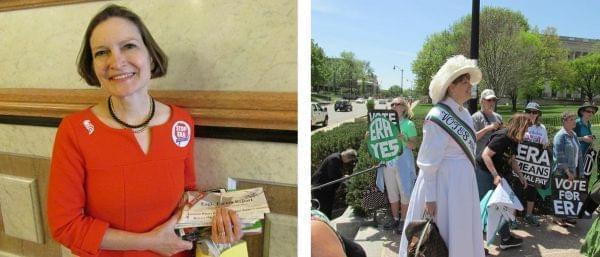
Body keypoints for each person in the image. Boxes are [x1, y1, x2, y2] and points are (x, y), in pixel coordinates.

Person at [47, 5, 242, 257]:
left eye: (129, 46)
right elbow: (66, 226)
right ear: (93, 65)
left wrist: (217, 225)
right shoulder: (75, 131)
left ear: (150, 56)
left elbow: (186, 199)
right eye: (102, 52)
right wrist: (149, 241)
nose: (116, 61)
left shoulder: (180, 122)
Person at [398, 55, 485, 257]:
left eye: (468, 82)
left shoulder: (463, 113)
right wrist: (430, 197)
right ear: (450, 87)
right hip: (444, 188)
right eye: (463, 82)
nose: (468, 86)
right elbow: (429, 162)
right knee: (439, 238)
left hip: (461, 188)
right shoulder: (437, 116)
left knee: (461, 236)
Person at [477, 113, 531, 250]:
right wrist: (495, 175)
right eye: (525, 129)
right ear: (518, 126)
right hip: (485, 171)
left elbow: (512, 159)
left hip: (500, 172)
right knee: (482, 206)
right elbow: (485, 155)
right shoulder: (502, 136)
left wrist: (521, 176)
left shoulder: (514, 139)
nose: (526, 133)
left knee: (502, 204)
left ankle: (506, 238)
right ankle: (474, 241)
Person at [377, 97, 418, 231]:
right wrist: (371, 137)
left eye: (397, 104)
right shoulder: (385, 124)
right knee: (392, 194)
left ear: (404, 107)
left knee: (405, 192)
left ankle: (404, 221)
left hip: (403, 163)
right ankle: (395, 219)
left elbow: (413, 145)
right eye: (392, 103)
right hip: (388, 163)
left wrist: (404, 139)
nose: (394, 106)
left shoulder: (408, 124)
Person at [518, 102, 549, 227]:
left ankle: (529, 215)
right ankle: (514, 217)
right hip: (520, 164)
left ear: (538, 114)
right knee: (517, 188)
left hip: (534, 166)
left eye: (534, 112)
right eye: (529, 111)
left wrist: (545, 146)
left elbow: (545, 144)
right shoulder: (520, 125)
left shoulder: (542, 128)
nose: (531, 114)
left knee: (532, 189)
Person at [552, 111, 583, 227]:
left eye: (574, 119)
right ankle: (557, 217)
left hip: (573, 169)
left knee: (569, 193)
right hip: (562, 170)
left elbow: (578, 153)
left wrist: (580, 170)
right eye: (571, 120)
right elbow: (559, 156)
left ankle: (568, 216)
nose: (574, 121)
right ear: (564, 121)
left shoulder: (573, 134)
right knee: (560, 194)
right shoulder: (560, 136)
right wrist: (567, 172)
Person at [311, 149, 358, 218]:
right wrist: (343, 177)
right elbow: (333, 175)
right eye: (350, 160)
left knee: (327, 208)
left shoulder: (337, 158)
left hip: (326, 188)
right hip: (321, 188)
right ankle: (324, 225)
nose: (348, 162)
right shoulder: (334, 159)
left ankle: (326, 223)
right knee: (323, 209)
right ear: (347, 157)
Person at [472, 89, 503, 157]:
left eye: (493, 100)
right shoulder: (476, 117)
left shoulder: (499, 117)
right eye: (489, 100)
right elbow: (472, 138)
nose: (492, 103)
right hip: (479, 159)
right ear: (482, 101)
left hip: (494, 159)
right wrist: (487, 129)